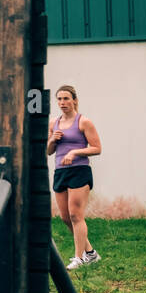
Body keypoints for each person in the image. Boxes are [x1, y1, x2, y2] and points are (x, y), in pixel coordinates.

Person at [47, 84, 102, 269]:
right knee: (65, 217)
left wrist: (75, 153)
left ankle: (78, 258)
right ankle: (91, 253)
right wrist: (52, 139)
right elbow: (48, 152)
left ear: (74, 101)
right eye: (60, 99)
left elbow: (97, 148)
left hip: (79, 170)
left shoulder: (83, 122)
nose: (62, 102)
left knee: (75, 214)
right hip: (60, 171)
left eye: (66, 99)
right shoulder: (53, 123)